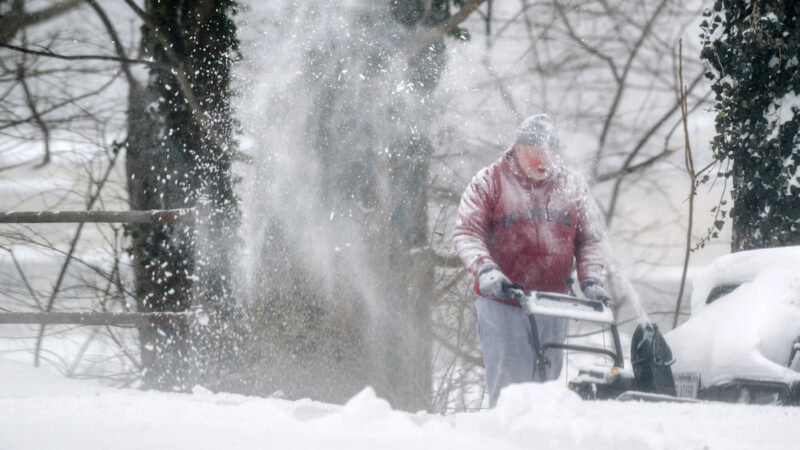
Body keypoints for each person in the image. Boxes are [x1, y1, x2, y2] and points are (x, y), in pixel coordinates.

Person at [452, 113, 610, 407]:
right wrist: (486, 270)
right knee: (511, 392)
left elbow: (591, 237)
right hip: (504, 303)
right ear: (517, 148)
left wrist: (590, 279)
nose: (542, 160)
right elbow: (466, 233)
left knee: (546, 391)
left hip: (551, 302)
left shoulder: (571, 185)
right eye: (534, 151)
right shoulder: (489, 182)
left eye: (549, 152)